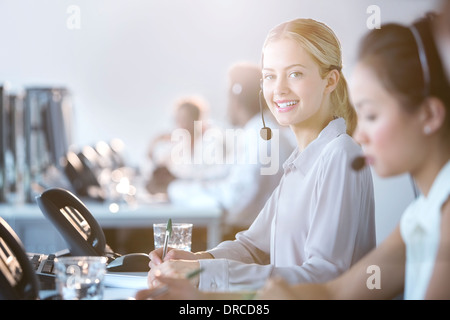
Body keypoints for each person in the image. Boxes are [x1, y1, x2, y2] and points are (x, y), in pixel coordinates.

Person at [138, 18, 376, 297]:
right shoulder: (301, 159)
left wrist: (201, 275)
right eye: (270, 76)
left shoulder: (339, 154)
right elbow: (254, 246)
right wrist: (194, 261)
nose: (279, 89)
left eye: (295, 74)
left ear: (330, 80)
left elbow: (324, 274)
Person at [255, 14, 450, 300]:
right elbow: (335, 293)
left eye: (371, 115)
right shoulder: (419, 216)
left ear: (430, 115)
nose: (359, 136)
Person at [167, 61, 294, 240]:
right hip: (255, 234)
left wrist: (175, 190)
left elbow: (234, 199)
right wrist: (180, 179)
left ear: (236, 100)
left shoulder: (263, 138)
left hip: (255, 240)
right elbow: (224, 172)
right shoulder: (256, 132)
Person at [145, 95, 227, 195]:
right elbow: (157, 165)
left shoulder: (213, 140)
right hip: (186, 197)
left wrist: (177, 179)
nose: (180, 124)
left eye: (184, 119)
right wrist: (155, 142)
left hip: (209, 197)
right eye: (177, 119)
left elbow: (214, 174)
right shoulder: (180, 143)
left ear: (197, 119)